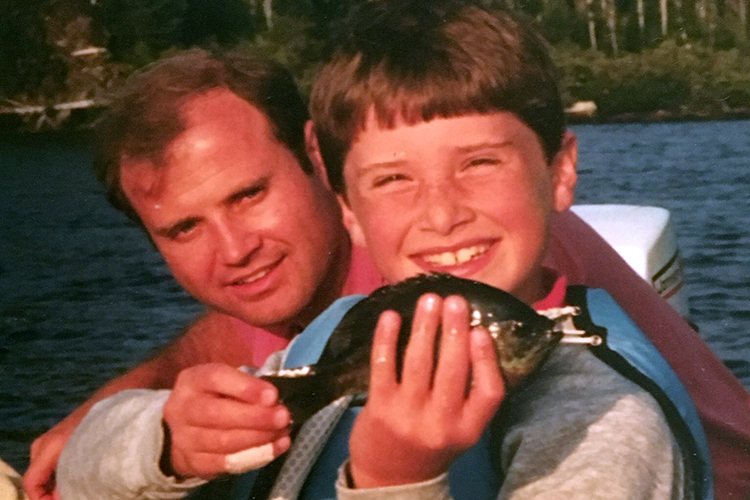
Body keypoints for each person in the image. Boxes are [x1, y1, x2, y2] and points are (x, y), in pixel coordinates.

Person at [53, 1, 735, 498]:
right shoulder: (346, 328)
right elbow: (236, 365)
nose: (440, 211)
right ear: (350, 201)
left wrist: (396, 480)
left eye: (249, 194)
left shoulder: (591, 413)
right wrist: (162, 440)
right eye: (392, 180)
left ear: (315, 167)